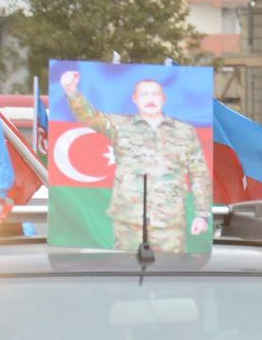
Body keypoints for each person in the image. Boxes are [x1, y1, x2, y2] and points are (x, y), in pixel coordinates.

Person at [60, 69, 211, 254]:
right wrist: (71, 90)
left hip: (170, 223)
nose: (150, 99)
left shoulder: (185, 132)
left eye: (155, 94)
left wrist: (202, 215)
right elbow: (89, 116)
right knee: (126, 275)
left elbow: (199, 174)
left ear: (164, 99)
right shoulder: (119, 126)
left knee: (170, 276)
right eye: (144, 94)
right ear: (135, 99)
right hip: (129, 222)